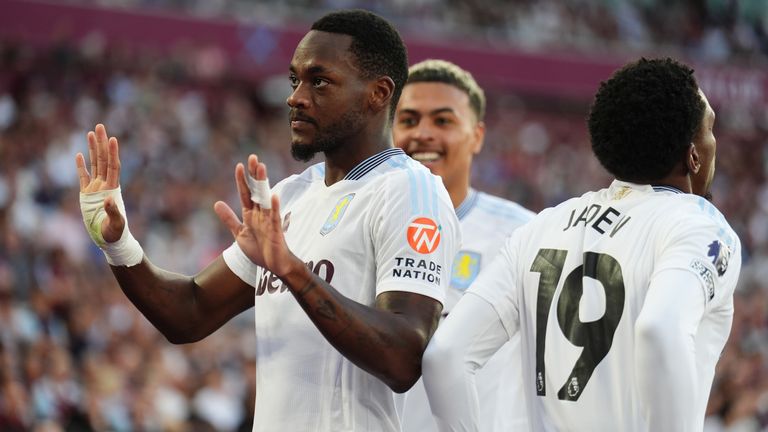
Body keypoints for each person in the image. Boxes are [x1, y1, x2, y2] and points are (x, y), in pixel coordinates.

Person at [75, 9, 460, 432]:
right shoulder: (290, 196)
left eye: (320, 81)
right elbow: (189, 313)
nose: (295, 96)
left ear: (378, 93)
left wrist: (291, 270)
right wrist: (118, 243)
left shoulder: (410, 191)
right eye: (295, 79)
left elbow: (403, 358)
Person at [422, 57, 742, 432]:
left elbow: (445, 356)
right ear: (693, 153)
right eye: (710, 129)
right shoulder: (697, 225)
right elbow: (660, 330)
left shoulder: (543, 225)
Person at [392, 59, 533, 432]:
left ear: (477, 135)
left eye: (443, 121)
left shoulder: (523, 235)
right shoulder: (356, 226)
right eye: (408, 120)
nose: (423, 133)